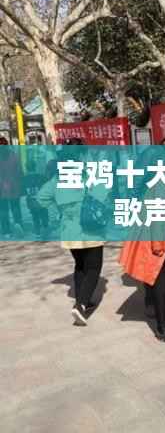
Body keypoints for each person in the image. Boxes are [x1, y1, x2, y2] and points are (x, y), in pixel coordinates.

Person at [119, 125, 165, 345]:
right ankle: (163, 327)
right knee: (160, 279)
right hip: (155, 226)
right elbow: (140, 187)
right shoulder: (155, 156)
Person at [37, 138, 107, 326]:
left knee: (80, 266)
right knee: (93, 268)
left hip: (68, 230)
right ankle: (81, 305)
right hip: (89, 229)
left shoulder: (57, 179)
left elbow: (41, 198)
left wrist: (57, 210)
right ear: (82, 155)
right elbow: (103, 194)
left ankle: (83, 299)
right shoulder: (87, 175)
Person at [0, 139, 24, 237]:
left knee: (3, 209)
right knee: (15, 208)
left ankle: (6, 231)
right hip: (14, 187)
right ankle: (18, 225)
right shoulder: (14, 156)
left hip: (2, 188)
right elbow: (20, 172)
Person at [24, 159, 49, 237]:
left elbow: (23, 190)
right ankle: (45, 228)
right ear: (35, 166)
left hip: (31, 201)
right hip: (42, 199)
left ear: (26, 168)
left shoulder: (24, 178)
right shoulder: (41, 177)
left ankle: (37, 231)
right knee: (44, 213)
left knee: (35, 216)